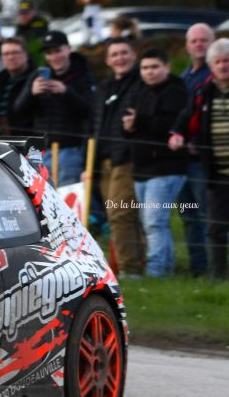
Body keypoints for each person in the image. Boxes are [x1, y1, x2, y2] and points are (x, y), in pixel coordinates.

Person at [122, 48, 188, 278]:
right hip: (142, 167)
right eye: (145, 68)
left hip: (166, 168)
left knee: (154, 222)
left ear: (167, 68)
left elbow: (172, 124)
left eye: (154, 67)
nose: (149, 72)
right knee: (150, 222)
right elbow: (135, 127)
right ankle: (164, 269)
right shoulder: (140, 92)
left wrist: (138, 122)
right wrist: (129, 127)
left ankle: (157, 271)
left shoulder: (176, 91)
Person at [170, 38, 229, 279]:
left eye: (227, 61)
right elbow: (185, 118)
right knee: (215, 228)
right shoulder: (202, 92)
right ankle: (218, 277)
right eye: (218, 62)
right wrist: (177, 134)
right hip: (216, 173)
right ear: (210, 66)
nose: (223, 66)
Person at [89, 37, 144, 276]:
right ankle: (138, 264)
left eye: (124, 53)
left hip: (127, 159)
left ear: (133, 55)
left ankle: (128, 269)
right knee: (122, 215)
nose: (120, 58)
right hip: (103, 160)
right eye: (115, 54)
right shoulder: (104, 87)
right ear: (108, 60)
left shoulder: (141, 84)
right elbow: (95, 124)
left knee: (120, 212)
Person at [13, 30, 95, 186]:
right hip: (39, 152)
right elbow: (18, 111)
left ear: (69, 49)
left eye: (58, 51)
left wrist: (66, 92)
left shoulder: (83, 75)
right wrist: (31, 93)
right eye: (49, 53)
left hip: (70, 151)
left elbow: (90, 112)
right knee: (42, 203)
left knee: (67, 200)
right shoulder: (38, 75)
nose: (54, 57)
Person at [179, 23, 216, 276]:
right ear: (187, 45)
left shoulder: (217, 76)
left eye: (204, 40)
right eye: (194, 41)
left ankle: (216, 269)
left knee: (209, 216)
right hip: (180, 160)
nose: (199, 44)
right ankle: (198, 268)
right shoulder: (183, 78)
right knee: (188, 214)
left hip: (205, 160)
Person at [0, 37, 34, 136]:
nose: (10, 57)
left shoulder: (35, 79)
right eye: (6, 54)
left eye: (15, 53)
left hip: (27, 140)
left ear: (25, 55)